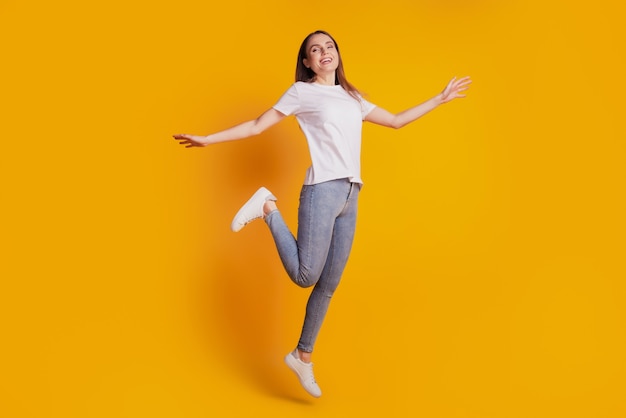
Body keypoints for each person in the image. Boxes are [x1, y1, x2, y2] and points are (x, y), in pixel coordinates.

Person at [173, 30, 471, 398]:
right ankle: (267, 207)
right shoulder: (302, 93)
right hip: (322, 191)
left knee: (328, 284)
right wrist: (208, 138)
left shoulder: (351, 96)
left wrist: (439, 99)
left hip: (351, 193)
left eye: (329, 46)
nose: (324, 52)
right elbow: (256, 125)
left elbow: (395, 121)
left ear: (337, 54)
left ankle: (303, 355)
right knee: (305, 275)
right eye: (315, 49)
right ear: (307, 62)